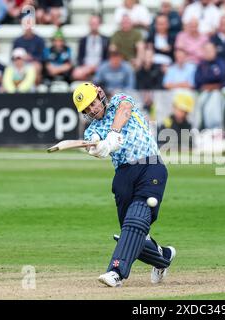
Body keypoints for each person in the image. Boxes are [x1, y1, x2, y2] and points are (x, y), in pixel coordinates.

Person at [72, 82, 176, 287]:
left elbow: (125, 111)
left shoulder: (119, 99)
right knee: (134, 231)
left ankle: (116, 272)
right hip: (123, 177)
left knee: (136, 221)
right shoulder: (91, 130)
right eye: (87, 109)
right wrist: (98, 148)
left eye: (92, 103)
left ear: (100, 94)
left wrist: (113, 134)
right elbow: (94, 147)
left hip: (150, 165)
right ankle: (163, 257)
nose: (92, 109)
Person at [72, 15, 110, 81]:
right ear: (89, 24)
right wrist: (86, 67)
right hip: (85, 67)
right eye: (92, 23)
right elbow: (80, 57)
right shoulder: (83, 40)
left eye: (96, 23)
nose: (94, 25)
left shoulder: (106, 40)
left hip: (100, 67)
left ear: (99, 24)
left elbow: (107, 57)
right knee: (76, 74)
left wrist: (95, 67)